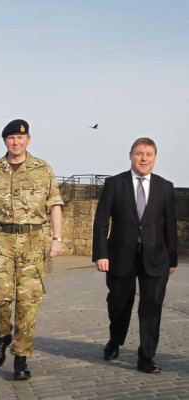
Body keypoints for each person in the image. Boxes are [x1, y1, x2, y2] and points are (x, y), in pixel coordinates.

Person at [0, 119, 63, 380]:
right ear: (5, 141)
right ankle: (2, 335)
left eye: (20, 138)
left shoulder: (43, 169)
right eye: (11, 138)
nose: (16, 142)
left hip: (33, 243)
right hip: (0, 241)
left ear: (28, 140)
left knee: (28, 304)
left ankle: (21, 357)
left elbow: (55, 204)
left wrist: (57, 238)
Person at [93, 137, 177, 373]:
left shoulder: (165, 187)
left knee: (151, 308)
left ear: (155, 158)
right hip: (120, 256)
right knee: (119, 305)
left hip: (156, 257)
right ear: (130, 155)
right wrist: (101, 253)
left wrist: (171, 259)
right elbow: (101, 222)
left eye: (149, 154)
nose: (144, 158)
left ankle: (147, 356)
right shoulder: (114, 184)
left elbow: (170, 225)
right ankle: (115, 341)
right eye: (139, 153)